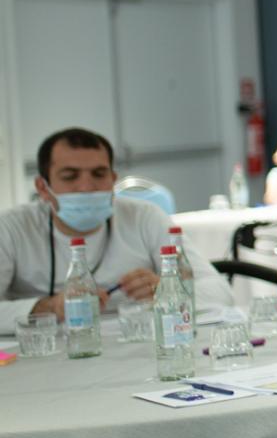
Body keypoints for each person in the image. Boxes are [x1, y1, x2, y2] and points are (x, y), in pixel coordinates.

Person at [2, 127, 234, 329]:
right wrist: (49, 308)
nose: (86, 187)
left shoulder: (144, 216)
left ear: (113, 179)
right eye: (70, 176)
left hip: (137, 348)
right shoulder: (12, 228)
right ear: (42, 187)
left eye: (98, 174)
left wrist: (165, 291)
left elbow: (220, 293)